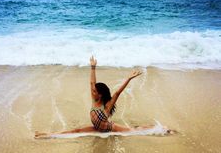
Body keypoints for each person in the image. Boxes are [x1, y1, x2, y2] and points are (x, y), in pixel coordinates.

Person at [35, 56, 172, 139]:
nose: (92, 91)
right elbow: (92, 83)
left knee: (132, 131)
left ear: (100, 94)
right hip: (97, 127)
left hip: (109, 128)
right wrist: (93, 67)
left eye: (95, 91)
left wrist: (129, 79)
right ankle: (48, 135)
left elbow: (117, 93)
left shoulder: (106, 106)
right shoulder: (94, 100)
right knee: (75, 131)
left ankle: (160, 128)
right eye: (93, 90)